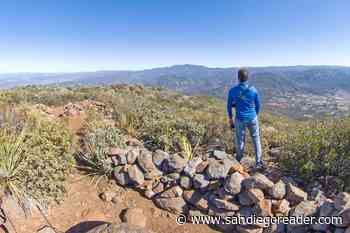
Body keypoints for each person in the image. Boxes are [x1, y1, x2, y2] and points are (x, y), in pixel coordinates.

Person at [227, 69, 263, 169]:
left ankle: (239, 161)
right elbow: (258, 105)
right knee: (256, 139)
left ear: (238, 78)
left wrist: (230, 119)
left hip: (240, 119)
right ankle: (258, 161)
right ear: (247, 78)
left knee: (240, 140)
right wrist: (255, 115)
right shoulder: (253, 90)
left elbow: (229, 106)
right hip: (252, 118)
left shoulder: (232, 91)